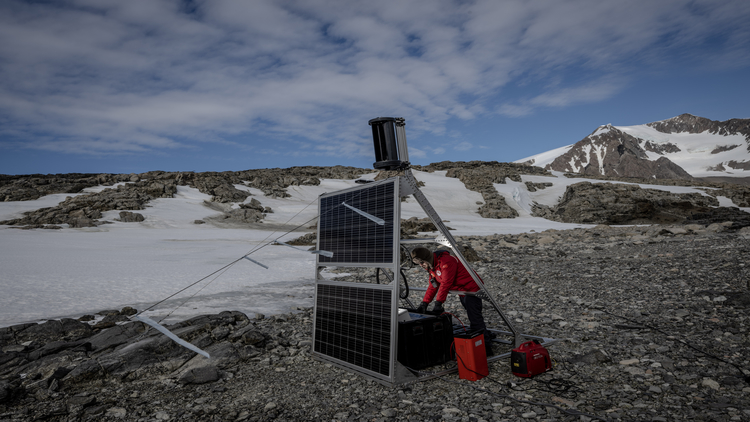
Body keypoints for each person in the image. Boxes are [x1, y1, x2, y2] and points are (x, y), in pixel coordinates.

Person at [411, 247, 493, 356]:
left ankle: (486, 347)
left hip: (471, 290)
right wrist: (424, 303)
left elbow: (446, 283)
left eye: (421, 262)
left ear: (427, 259)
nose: (421, 265)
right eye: (418, 263)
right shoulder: (433, 266)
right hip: (462, 291)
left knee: (475, 317)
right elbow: (433, 285)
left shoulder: (446, 261)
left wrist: (438, 303)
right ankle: (485, 335)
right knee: (472, 315)